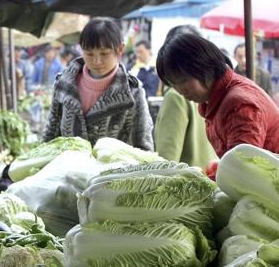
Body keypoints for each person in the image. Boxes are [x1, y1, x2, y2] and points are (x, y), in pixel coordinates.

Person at [157, 33, 279, 156]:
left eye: (183, 80)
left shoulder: (237, 105)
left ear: (203, 66)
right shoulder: (218, 99)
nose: (180, 90)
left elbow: (243, 169)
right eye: (174, 84)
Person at [42, 17, 154, 150]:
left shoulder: (133, 91)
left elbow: (143, 146)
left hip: (115, 170)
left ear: (120, 49)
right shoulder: (64, 85)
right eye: (89, 54)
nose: (97, 61)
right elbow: (50, 137)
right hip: (69, 170)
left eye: (104, 53)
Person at [153, 25, 217, 169]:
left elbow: (167, 160)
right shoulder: (210, 91)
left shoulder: (176, 97)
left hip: (187, 186)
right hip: (211, 181)